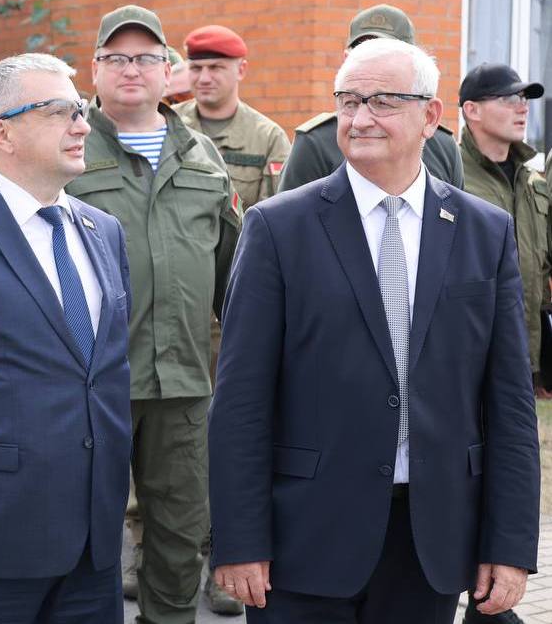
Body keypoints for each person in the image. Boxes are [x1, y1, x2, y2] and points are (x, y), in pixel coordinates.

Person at [209, 38, 540, 623]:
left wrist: (509, 546)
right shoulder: (278, 229)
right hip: (304, 539)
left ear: (431, 116)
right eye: (349, 100)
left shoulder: (484, 232)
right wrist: (239, 539)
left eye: (383, 101)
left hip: (431, 543)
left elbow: (509, 403)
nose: (360, 118)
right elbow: (240, 400)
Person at [0, 53, 133, 622]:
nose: (82, 125)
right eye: (61, 112)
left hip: (93, 545)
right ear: (1, 131)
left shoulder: (103, 231)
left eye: (81, 110)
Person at [66, 4, 242, 624]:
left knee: (179, 531)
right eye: (117, 58)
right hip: (92, 384)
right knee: (83, 528)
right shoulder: (66, 151)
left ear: (169, 72)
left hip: (185, 384)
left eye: (145, 58)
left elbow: (233, 279)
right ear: (94, 71)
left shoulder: (204, 160)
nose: (131, 70)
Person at [278, 4, 464, 192]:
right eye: (362, 51)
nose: (361, 122)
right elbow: (292, 214)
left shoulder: (443, 147)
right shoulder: (316, 142)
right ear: (345, 59)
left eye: (387, 52)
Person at [459, 63, 551, 414]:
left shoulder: (531, 180)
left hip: (525, 359)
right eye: (510, 97)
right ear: (473, 110)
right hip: (468, 354)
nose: (522, 106)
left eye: (525, 98)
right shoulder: (447, 175)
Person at [174, 24, 290, 208]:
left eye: (215, 68)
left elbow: (273, 215)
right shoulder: (168, 123)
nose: (204, 78)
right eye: (196, 68)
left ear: (241, 70)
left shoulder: (267, 138)